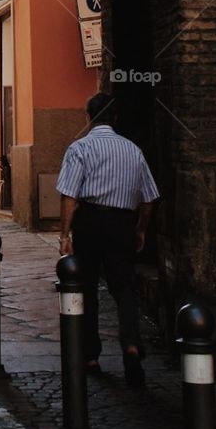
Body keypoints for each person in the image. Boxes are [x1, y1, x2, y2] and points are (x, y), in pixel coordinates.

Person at [56, 92, 160, 388]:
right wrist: (140, 229)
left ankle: (90, 354)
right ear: (115, 118)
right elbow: (150, 197)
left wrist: (65, 235)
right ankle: (130, 343)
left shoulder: (80, 148)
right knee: (125, 287)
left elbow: (69, 196)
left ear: (87, 118)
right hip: (121, 223)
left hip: (89, 221)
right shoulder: (133, 151)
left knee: (86, 286)